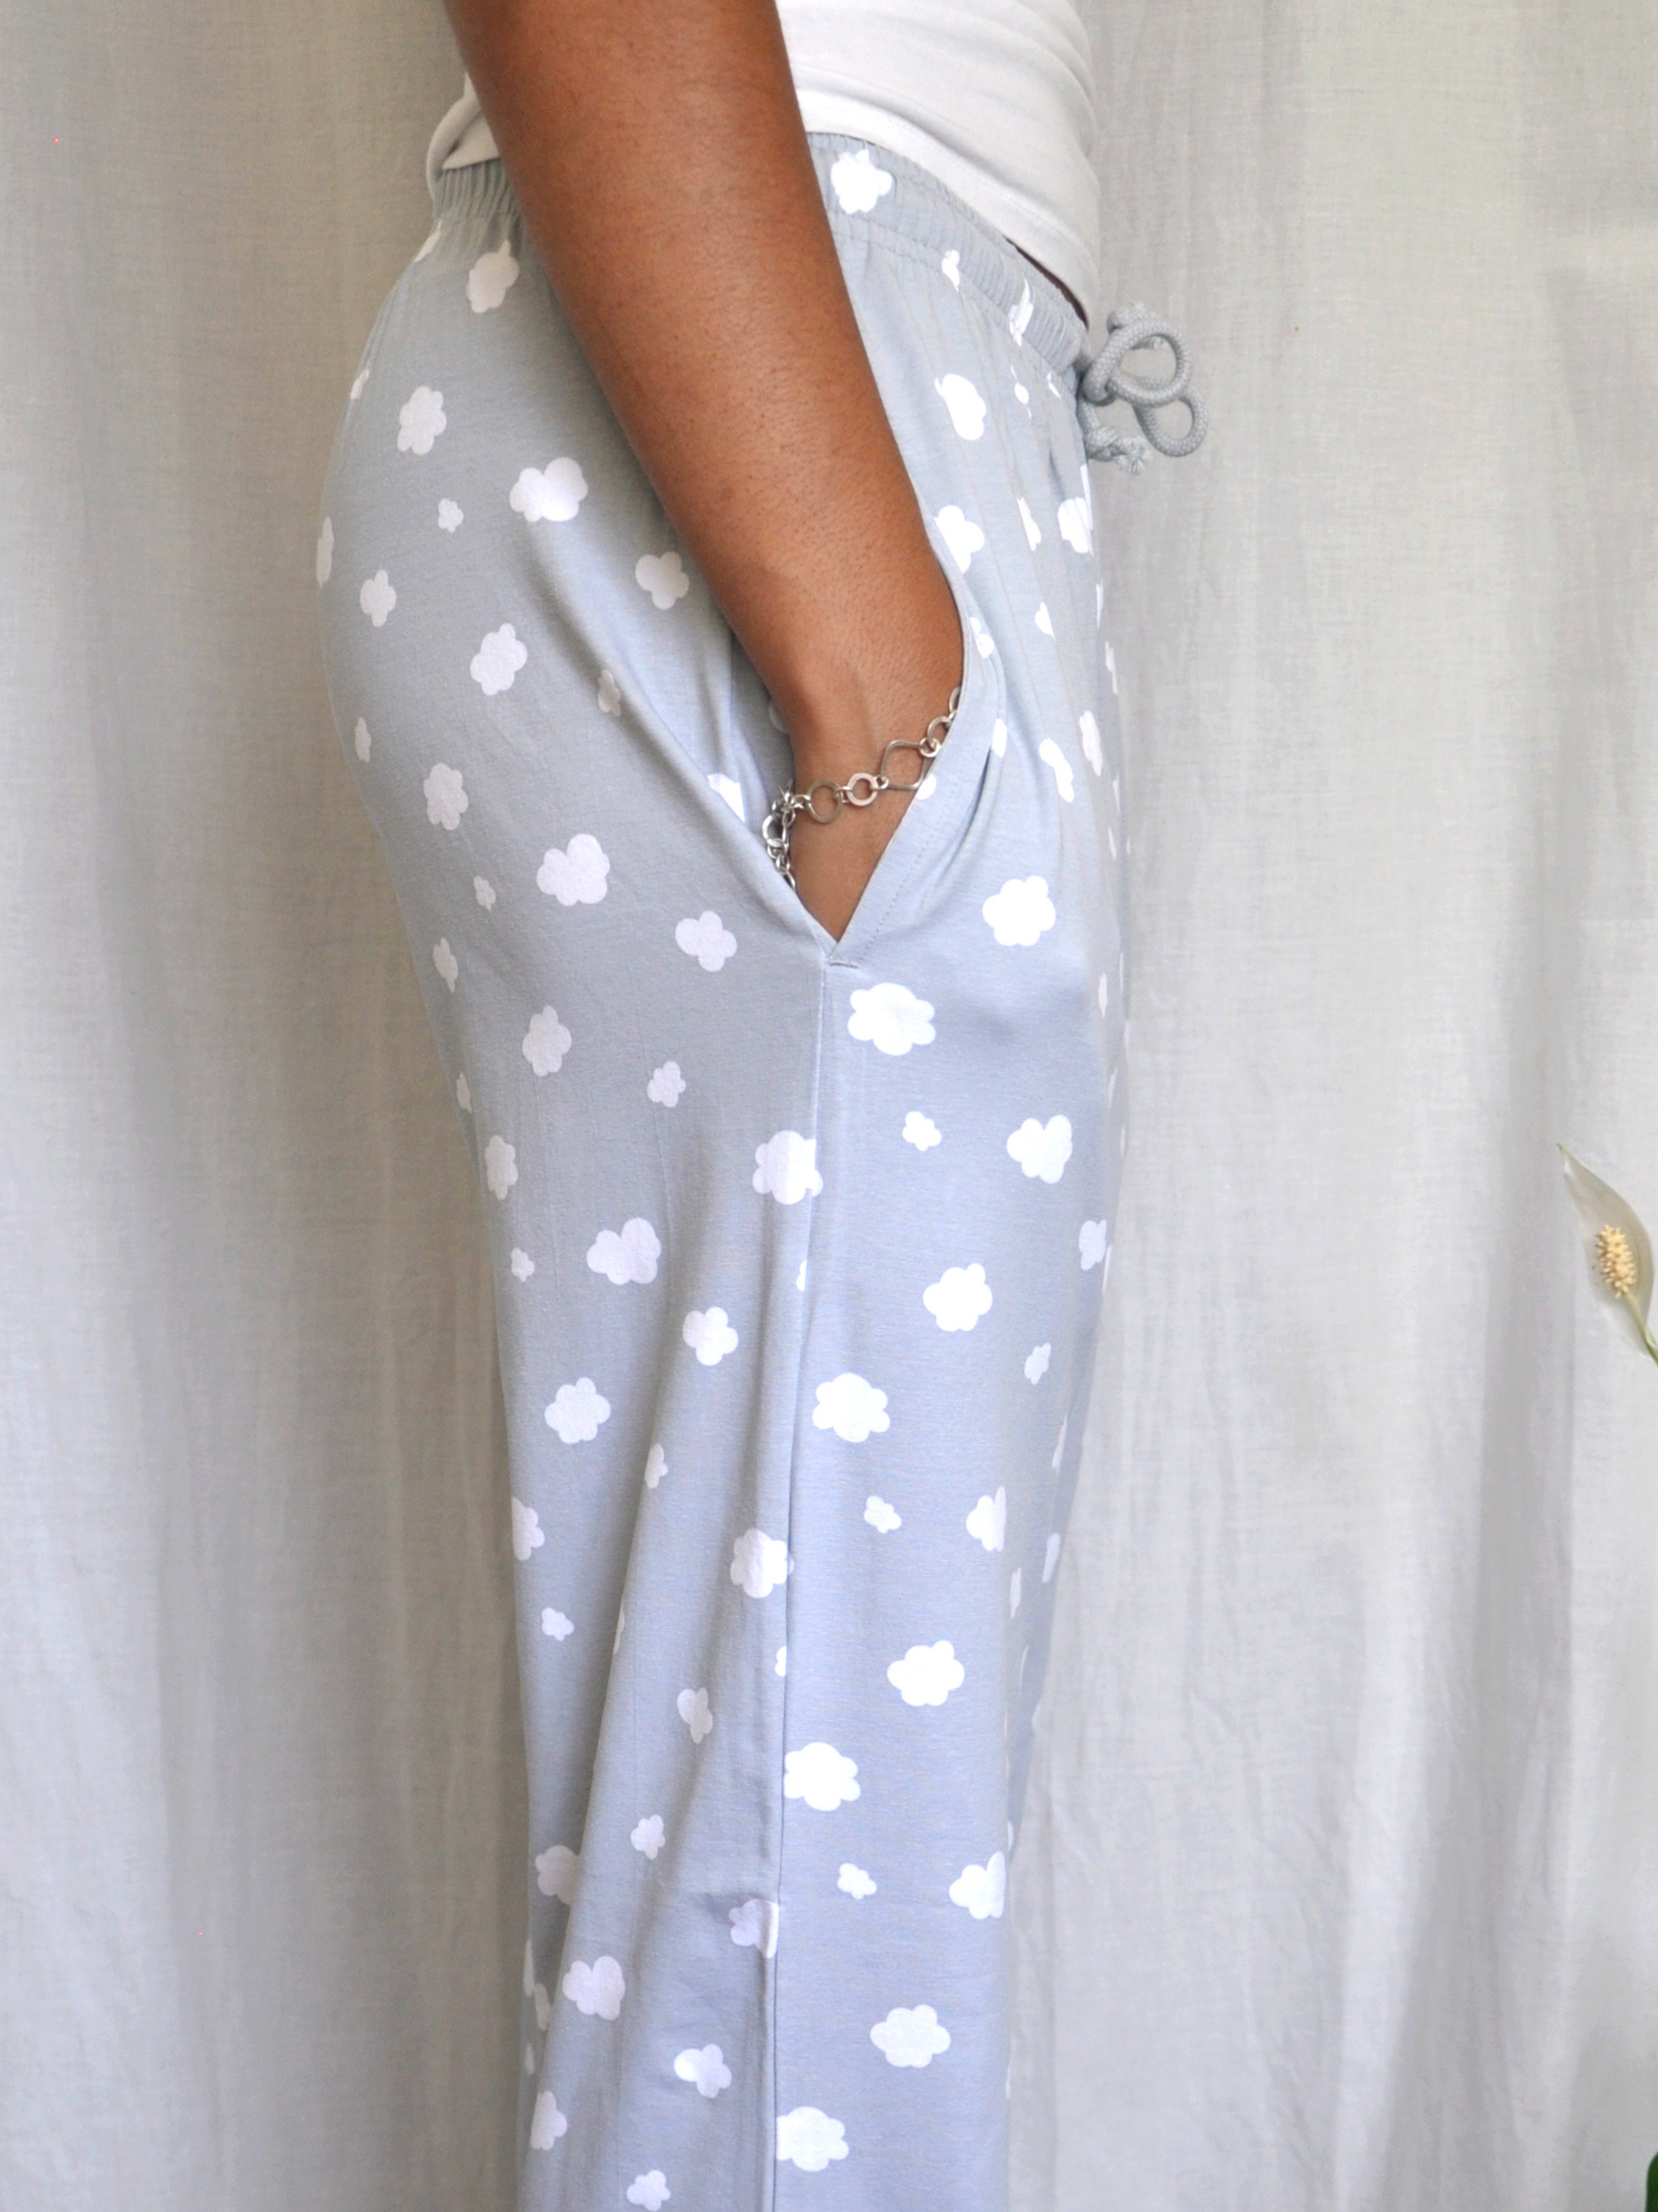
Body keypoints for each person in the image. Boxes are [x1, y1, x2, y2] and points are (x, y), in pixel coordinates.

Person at [314, 5, 1200, 2205]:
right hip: (763, 388)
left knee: (772, 1863)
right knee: (800, 1898)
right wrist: (871, 665)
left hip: (797, 374)